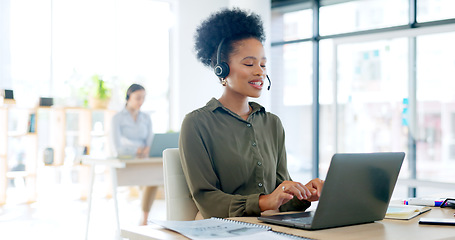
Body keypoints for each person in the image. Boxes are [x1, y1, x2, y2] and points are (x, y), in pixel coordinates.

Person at [179, 8, 324, 219]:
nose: (260, 71)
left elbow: (280, 198)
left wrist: (304, 194)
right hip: (224, 229)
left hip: (271, 225)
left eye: (263, 64)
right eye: (249, 63)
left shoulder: (272, 123)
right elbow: (207, 199)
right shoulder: (197, 123)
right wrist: (264, 201)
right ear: (222, 69)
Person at [111, 83, 157, 225]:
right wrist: (136, 150)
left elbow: (150, 140)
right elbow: (116, 146)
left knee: (154, 178)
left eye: (143, 98)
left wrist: (148, 149)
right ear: (128, 97)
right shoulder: (117, 118)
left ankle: (144, 218)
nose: (141, 102)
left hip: (144, 159)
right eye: (137, 98)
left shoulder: (146, 118)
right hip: (127, 160)